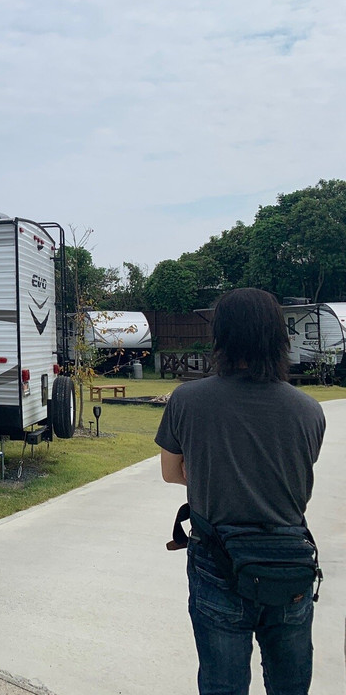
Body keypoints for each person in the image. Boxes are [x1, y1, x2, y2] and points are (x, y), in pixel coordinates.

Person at [155, 288, 325, 695]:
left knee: (222, 684)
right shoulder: (309, 410)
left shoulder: (187, 400)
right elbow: (295, 478)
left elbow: (171, 472)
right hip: (289, 565)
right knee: (290, 684)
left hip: (218, 562)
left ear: (222, 338)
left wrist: (216, 477)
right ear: (278, 338)